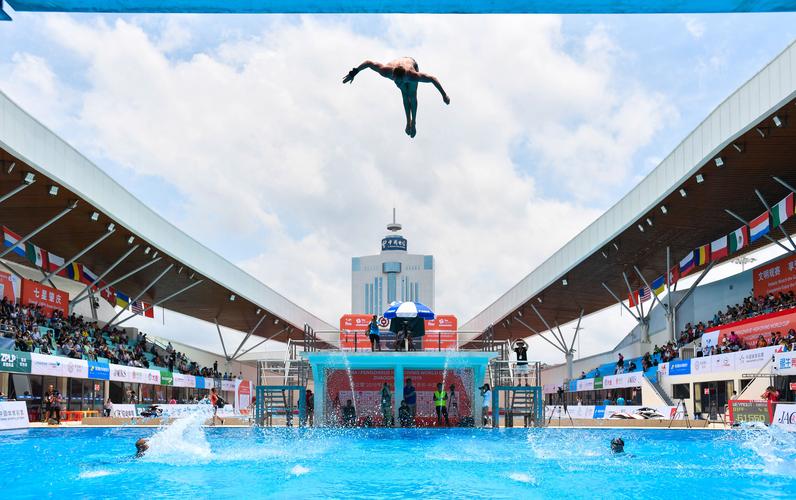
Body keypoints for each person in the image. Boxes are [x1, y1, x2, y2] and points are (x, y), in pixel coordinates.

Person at [342, 57, 450, 138]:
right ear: (393, 76)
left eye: (401, 81)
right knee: (404, 92)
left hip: (411, 62)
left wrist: (444, 95)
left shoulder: (412, 75)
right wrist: (353, 73)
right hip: (397, 66)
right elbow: (369, 63)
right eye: (396, 81)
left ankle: (414, 122)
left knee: (411, 94)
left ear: (404, 76)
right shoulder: (385, 71)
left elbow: (432, 79)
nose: (398, 83)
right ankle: (408, 121)